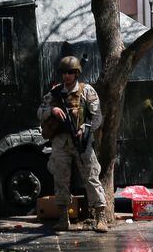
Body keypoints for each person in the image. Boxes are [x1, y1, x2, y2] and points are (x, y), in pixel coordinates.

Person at [37, 56, 107, 233]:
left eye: (70, 72)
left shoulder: (87, 91)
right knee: (60, 179)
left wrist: (85, 127)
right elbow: (40, 111)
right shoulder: (54, 93)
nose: (66, 76)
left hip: (81, 141)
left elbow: (97, 116)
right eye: (63, 72)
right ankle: (63, 217)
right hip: (60, 142)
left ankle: (100, 217)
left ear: (76, 73)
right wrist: (51, 110)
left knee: (91, 177)